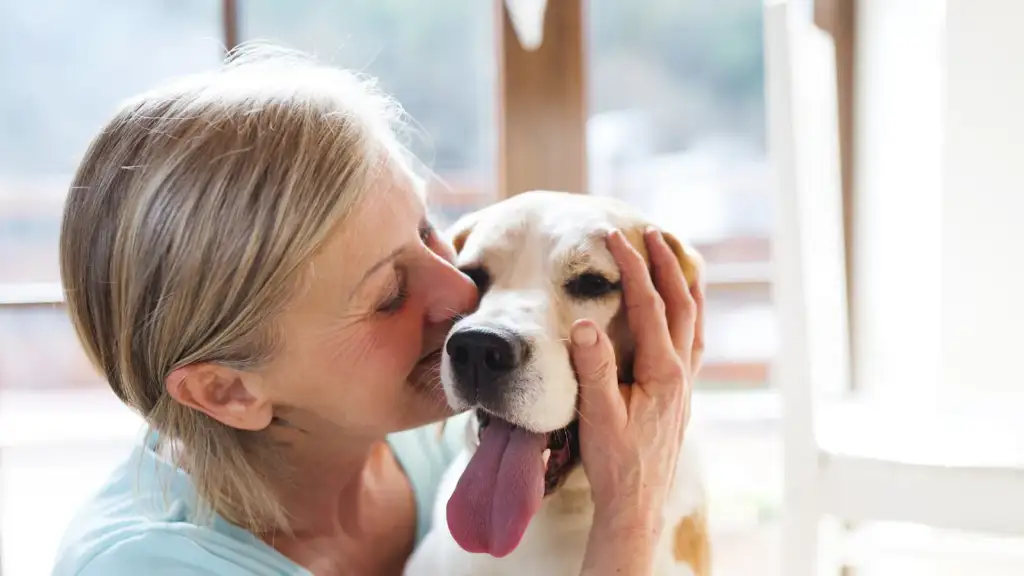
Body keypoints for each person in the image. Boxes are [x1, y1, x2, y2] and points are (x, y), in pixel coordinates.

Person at [51, 44, 704, 576]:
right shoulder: (148, 567)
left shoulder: (425, 433)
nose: (461, 298)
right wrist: (629, 518)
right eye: (388, 295)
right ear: (228, 390)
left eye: (428, 234)